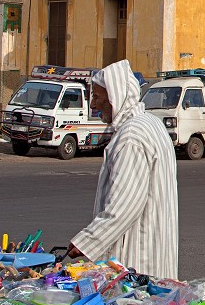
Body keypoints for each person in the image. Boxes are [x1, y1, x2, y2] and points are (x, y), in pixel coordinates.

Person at [66, 59, 179, 279]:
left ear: (114, 97)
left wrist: (85, 242)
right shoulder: (149, 122)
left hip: (138, 256)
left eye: (97, 97)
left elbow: (124, 206)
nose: (93, 105)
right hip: (156, 248)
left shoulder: (131, 136)